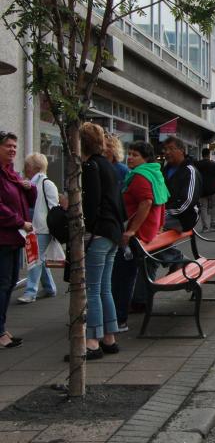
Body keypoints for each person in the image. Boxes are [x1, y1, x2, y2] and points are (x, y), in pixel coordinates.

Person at [113, 141, 169, 332]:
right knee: (126, 275)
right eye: (129, 153)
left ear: (145, 158)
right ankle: (121, 314)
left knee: (122, 277)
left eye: (135, 154)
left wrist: (131, 231)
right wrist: (159, 225)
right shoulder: (154, 172)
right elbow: (161, 201)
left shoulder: (140, 176)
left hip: (137, 234)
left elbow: (146, 201)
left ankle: (119, 318)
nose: (130, 157)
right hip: (149, 232)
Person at [79, 122, 123, 360]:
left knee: (92, 289)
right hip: (112, 232)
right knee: (105, 288)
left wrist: (88, 230)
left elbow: (91, 205)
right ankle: (110, 338)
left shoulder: (90, 166)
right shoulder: (109, 166)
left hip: (98, 233)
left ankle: (92, 341)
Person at [0, 131, 35, 348]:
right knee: (3, 284)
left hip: (14, 238)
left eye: (14, 146)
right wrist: (19, 222)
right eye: (7, 146)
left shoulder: (12, 174)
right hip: (4, 238)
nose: (12, 150)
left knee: (10, 282)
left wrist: (29, 188)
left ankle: (2, 327)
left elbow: (27, 200)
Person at [17, 153, 59, 304]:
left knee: (34, 258)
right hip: (35, 227)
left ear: (36, 167)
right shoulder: (30, 183)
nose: (25, 168)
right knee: (37, 258)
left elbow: (54, 207)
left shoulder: (46, 183)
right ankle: (49, 288)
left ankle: (30, 292)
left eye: (28, 165)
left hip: (43, 227)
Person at [162, 136, 201, 232]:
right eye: (165, 149)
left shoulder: (190, 171)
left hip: (184, 218)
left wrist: (162, 212)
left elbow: (187, 202)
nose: (167, 152)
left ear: (182, 150)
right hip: (165, 213)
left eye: (171, 149)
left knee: (143, 225)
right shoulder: (164, 170)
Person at [195, 147, 215, 232]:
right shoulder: (213, 163)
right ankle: (213, 224)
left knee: (203, 207)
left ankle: (205, 227)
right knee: (214, 205)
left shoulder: (197, 164)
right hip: (212, 189)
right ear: (209, 155)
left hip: (201, 189)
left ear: (202, 155)